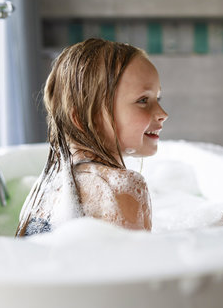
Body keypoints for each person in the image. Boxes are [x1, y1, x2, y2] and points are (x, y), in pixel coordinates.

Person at [16, 38, 167, 236]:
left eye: (158, 98)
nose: (162, 113)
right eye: (143, 100)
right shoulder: (122, 187)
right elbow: (142, 265)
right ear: (83, 118)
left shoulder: (45, 189)